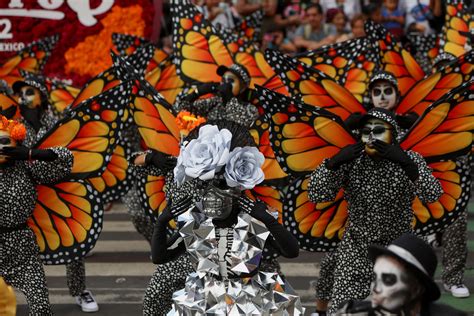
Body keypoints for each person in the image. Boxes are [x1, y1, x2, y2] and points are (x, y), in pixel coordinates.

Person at [152, 122, 305, 314]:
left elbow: (291, 251)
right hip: (206, 301)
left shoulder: (252, 222)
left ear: (237, 188)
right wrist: (161, 222)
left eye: (220, 185)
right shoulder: (197, 223)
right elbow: (160, 257)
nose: (212, 194)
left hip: (251, 301)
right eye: (207, 186)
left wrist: (268, 220)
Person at [309, 107, 443, 314]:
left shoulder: (410, 160)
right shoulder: (352, 162)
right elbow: (317, 195)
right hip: (357, 248)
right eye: (366, 131)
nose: (371, 137)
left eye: (379, 131)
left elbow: (433, 194)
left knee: (402, 309)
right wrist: (333, 163)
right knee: (343, 309)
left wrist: (408, 165)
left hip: (398, 249)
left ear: (394, 134)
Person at [12, 75, 99, 313]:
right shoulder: (12, 126)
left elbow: (70, 157)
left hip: (58, 192)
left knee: (73, 241)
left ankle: (79, 289)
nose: (23, 97)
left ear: (42, 96)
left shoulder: (57, 123)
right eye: (20, 93)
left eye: (30, 92)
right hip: (24, 195)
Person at [0, 115, 73, 315]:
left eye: (4, 142)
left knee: (41, 308)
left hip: (22, 252)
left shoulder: (28, 168)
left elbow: (66, 159)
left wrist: (32, 154)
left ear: (17, 143)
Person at [336, 233, 468, 315]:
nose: (375, 289)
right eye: (374, 278)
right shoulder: (351, 311)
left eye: (388, 280)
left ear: (416, 288)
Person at [174, 63, 259, 127]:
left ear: (243, 87)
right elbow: (180, 111)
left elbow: (239, 124)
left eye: (230, 81)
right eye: (223, 79)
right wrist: (196, 93)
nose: (225, 83)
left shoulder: (250, 109)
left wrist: (229, 98)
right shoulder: (215, 101)